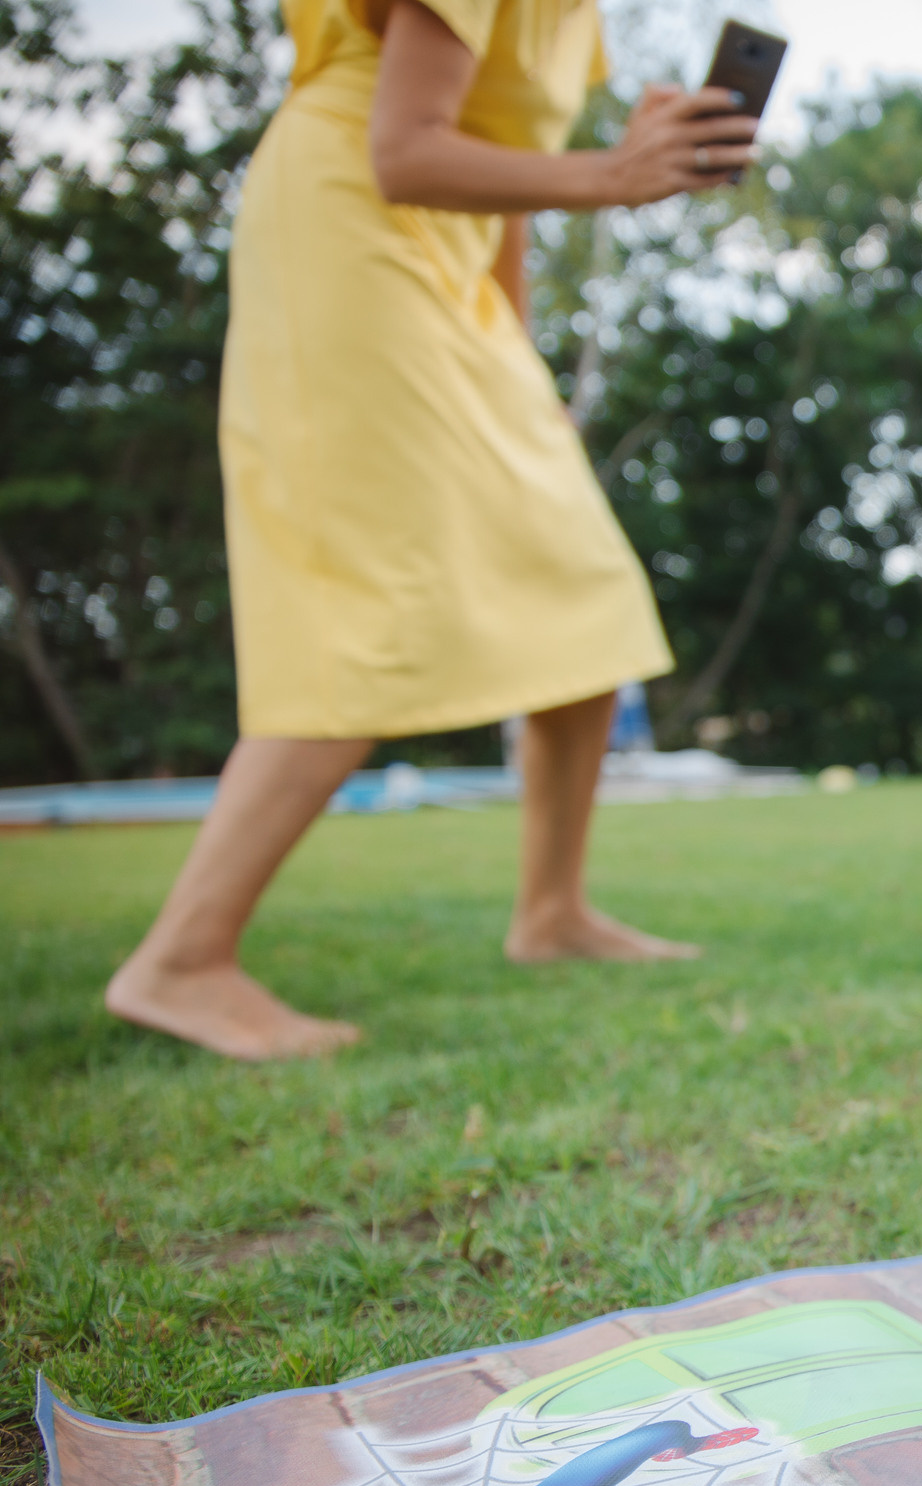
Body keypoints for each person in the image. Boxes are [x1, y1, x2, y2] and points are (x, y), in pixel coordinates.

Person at [102, 0, 754, 1060]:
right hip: (349, 243)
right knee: (377, 597)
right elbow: (404, 153)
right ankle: (182, 958)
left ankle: (551, 914)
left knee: (578, 576)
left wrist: (520, 352)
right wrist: (613, 174)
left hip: (453, 287)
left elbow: (499, 176)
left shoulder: (573, 16)